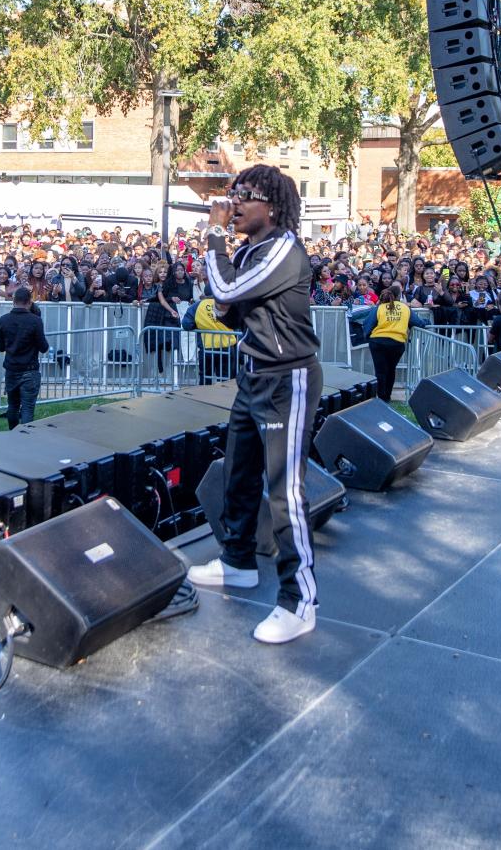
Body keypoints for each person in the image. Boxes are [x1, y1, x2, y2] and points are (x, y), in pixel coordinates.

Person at [186, 165, 324, 645]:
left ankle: (299, 601)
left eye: (247, 194)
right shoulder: (249, 251)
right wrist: (223, 267)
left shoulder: (283, 248)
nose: (235, 201)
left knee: (284, 492)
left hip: (287, 381)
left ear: (273, 206)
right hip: (253, 376)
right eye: (233, 193)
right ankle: (237, 562)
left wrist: (212, 237)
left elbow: (223, 290)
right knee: (239, 475)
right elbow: (225, 309)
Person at [359, 286, 431, 403]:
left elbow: (368, 324)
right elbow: (418, 323)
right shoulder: (405, 308)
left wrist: (368, 337)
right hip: (397, 343)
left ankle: (381, 398)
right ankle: (387, 396)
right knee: (391, 370)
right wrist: (427, 322)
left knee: (380, 371)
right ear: (399, 296)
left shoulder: (379, 308)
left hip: (378, 342)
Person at [0, 286, 49, 428]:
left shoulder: (3, 319)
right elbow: (44, 347)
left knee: (12, 406)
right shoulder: (35, 321)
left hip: (11, 369)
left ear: (13, 301)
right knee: (27, 408)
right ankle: (26, 438)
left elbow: (0, 347)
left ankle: (13, 434)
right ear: (29, 302)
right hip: (30, 369)